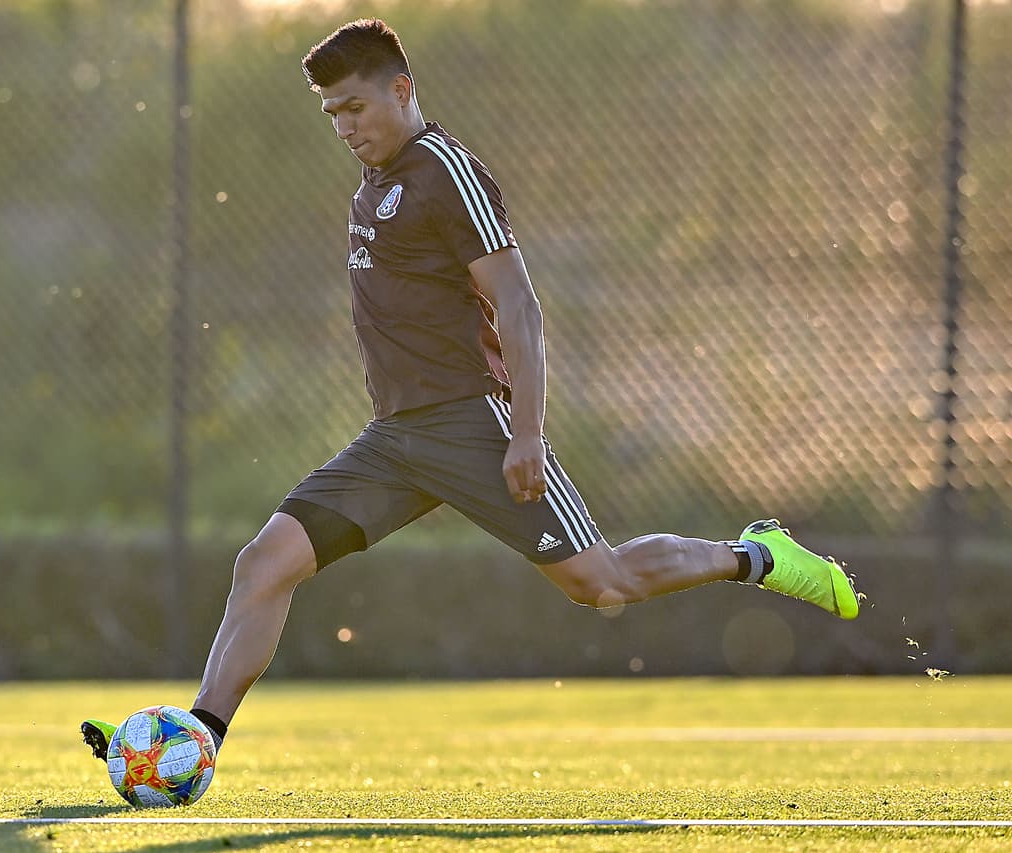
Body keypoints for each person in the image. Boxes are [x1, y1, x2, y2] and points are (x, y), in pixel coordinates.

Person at [81, 17, 859, 764]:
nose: (344, 125)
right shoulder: (374, 179)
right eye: (332, 114)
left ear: (402, 90)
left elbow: (518, 303)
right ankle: (196, 738)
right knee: (263, 563)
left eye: (355, 106)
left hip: (473, 425)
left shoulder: (447, 170)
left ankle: (754, 554)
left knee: (601, 581)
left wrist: (526, 431)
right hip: (394, 439)